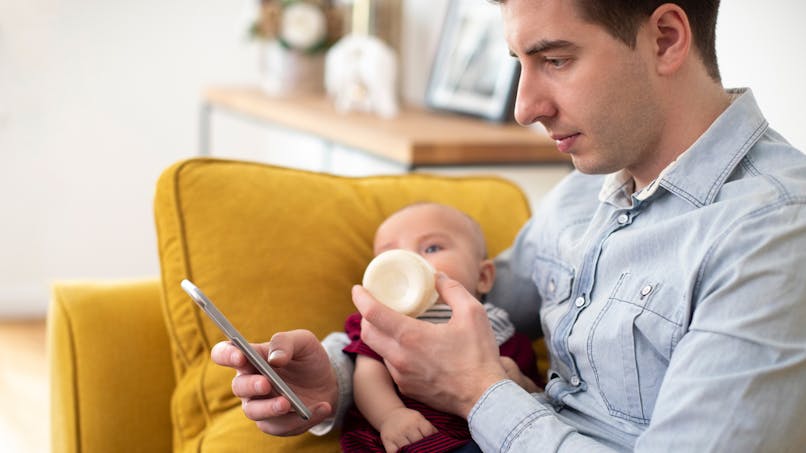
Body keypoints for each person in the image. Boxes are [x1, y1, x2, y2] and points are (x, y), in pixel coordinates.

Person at [212, 0, 806, 451]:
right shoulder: (581, 194)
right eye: (519, 63)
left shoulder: (773, 234)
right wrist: (335, 380)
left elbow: (469, 375)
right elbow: (456, 304)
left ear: (666, 39)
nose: (524, 108)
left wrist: (478, 395)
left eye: (556, 60)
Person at [340, 202, 540, 452]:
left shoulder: (500, 329)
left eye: (431, 248)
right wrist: (390, 415)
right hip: (409, 437)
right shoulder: (382, 323)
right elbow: (368, 376)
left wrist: (522, 384)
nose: (408, 260)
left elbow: (539, 397)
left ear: (483, 277)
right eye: (390, 254)